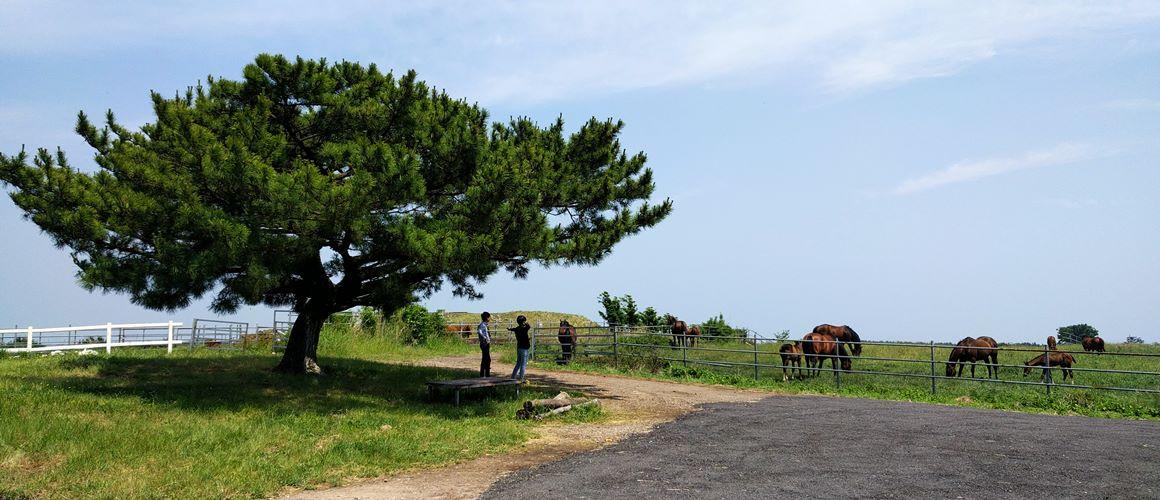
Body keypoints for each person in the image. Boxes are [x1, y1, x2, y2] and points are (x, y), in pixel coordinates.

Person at [508, 315, 531, 382]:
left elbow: (513, 329)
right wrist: (526, 323)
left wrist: (509, 329)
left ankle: (513, 377)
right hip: (525, 348)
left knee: (518, 363)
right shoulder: (524, 328)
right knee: (523, 364)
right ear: (523, 321)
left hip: (519, 347)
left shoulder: (517, 329)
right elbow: (529, 326)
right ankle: (521, 378)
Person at [478, 311, 491, 377]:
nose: (489, 319)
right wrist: (485, 338)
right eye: (489, 317)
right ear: (486, 318)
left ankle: (484, 374)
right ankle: (484, 374)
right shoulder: (482, 325)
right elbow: (480, 332)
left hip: (485, 343)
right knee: (486, 359)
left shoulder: (484, 325)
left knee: (486, 359)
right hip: (484, 344)